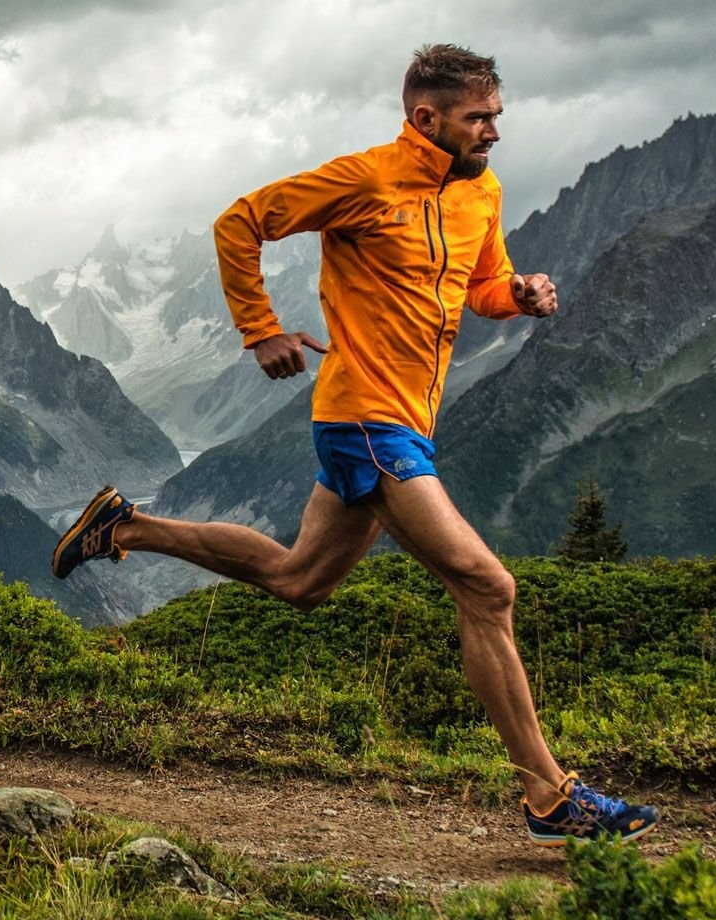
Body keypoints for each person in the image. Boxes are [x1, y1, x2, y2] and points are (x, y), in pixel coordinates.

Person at [52, 43, 657, 847]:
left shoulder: (481, 192)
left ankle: (122, 527)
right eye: (478, 119)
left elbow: (479, 286)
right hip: (366, 419)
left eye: (496, 117)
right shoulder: (366, 180)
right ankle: (548, 794)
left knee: (299, 579)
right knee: (487, 589)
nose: (492, 133)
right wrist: (259, 330)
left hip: (405, 421)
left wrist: (515, 294)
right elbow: (239, 222)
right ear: (425, 118)